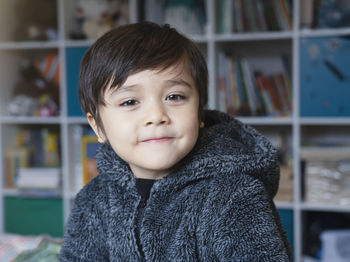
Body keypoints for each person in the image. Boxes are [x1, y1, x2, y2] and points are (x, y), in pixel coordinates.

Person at [58, 22, 291, 261]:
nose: (156, 115)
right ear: (97, 126)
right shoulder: (94, 199)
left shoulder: (234, 195)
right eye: (130, 102)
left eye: (174, 96)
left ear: (199, 113)